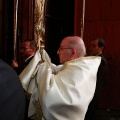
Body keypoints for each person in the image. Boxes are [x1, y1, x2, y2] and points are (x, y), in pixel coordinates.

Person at [19, 36, 102, 120]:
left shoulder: (81, 72)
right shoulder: (77, 67)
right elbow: (57, 69)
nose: (58, 52)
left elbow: (52, 97)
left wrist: (43, 67)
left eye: (61, 48)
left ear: (73, 52)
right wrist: (46, 63)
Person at [84, 38, 108, 120]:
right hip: (89, 91)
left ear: (101, 48)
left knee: (90, 112)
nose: (90, 48)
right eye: (90, 45)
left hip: (92, 92)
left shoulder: (102, 62)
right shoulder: (93, 58)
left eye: (94, 46)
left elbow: (97, 81)